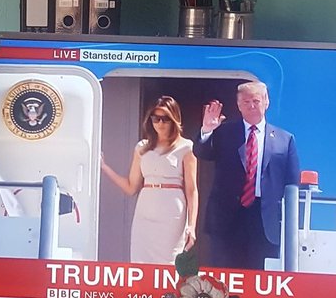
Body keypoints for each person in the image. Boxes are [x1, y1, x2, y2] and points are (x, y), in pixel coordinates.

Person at [193, 80, 300, 271]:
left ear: (266, 102)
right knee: (225, 278)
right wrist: (207, 130)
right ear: (238, 105)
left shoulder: (285, 140)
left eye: (256, 101)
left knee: (261, 278)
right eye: (246, 102)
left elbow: (292, 183)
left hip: (265, 220)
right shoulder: (224, 132)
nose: (251, 106)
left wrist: (291, 224)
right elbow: (202, 153)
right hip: (228, 220)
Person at [100, 96, 198, 264]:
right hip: (145, 210)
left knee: (169, 261)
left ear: (174, 120)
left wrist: (192, 225)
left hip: (172, 211)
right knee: (141, 261)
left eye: (165, 119)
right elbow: (131, 187)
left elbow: (191, 190)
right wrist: (105, 168)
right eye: (156, 118)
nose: (160, 123)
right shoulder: (142, 147)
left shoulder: (186, 147)